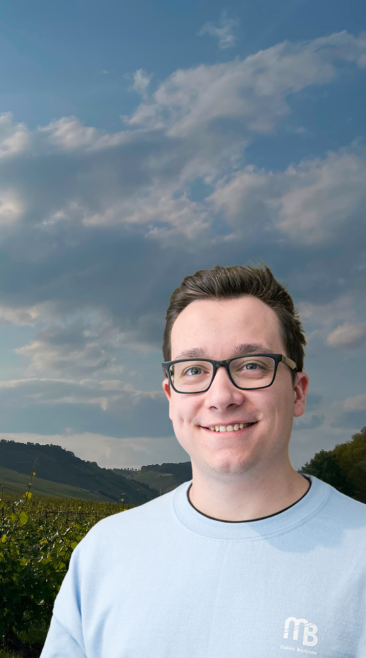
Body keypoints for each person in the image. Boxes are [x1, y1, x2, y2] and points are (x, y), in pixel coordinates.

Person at [40, 264, 366, 657]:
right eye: (194, 370)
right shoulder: (103, 552)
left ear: (297, 392)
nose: (221, 395)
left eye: (251, 365)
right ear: (170, 396)